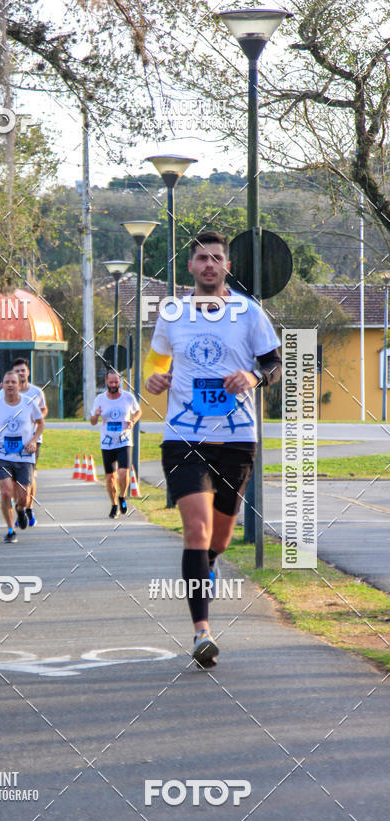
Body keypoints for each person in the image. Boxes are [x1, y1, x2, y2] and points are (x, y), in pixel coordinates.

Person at [145, 231, 281, 666]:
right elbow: (157, 362)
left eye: (216, 258)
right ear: (190, 266)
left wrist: (255, 378)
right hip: (184, 438)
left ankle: (209, 563)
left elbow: (274, 362)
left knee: (218, 538)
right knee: (196, 531)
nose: (209, 264)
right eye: (201, 258)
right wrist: (155, 379)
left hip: (238, 438)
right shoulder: (173, 313)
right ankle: (202, 632)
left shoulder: (249, 314)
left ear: (226, 266)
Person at [0, 370, 44, 543]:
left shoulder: (29, 403)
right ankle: (10, 530)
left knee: (23, 497)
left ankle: (21, 510)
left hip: (24, 456)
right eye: (6, 382)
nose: (9, 385)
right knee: (6, 492)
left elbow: (40, 423)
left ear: (19, 385)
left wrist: (34, 440)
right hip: (2, 454)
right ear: (2, 385)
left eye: (13, 382)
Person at [90, 369, 141, 518]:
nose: (113, 385)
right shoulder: (99, 399)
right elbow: (93, 422)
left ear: (120, 382)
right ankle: (113, 505)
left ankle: (122, 497)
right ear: (106, 381)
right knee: (110, 478)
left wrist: (133, 420)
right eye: (111, 382)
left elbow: (138, 411)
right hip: (107, 443)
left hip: (124, 440)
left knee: (124, 473)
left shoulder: (128, 397)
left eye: (116, 382)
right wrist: (96, 415)